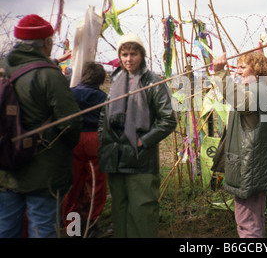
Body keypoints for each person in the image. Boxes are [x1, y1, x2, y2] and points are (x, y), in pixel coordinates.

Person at [0, 14, 82, 238]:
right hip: (43, 170)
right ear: (46, 42)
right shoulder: (50, 76)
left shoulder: (2, 68)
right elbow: (70, 123)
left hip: (5, 166)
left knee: (5, 228)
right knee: (42, 229)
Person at [98, 33, 177, 238]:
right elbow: (103, 117)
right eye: (124, 54)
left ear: (142, 55)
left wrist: (143, 141)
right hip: (114, 157)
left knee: (142, 213)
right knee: (120, 211)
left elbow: (168, 120)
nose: (128, 59)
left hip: (140, 160)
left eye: (133, 54)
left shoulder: (153, 83)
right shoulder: (115, 80)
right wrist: (103, 140)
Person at [212, 50, 267, 238]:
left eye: (242, 67)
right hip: (249, 165)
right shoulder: (257, 90)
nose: (237, 70)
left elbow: (239, 102)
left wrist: (220, 72)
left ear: (257, 69)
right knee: (253, 219)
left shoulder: (260, 90)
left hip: (249, 167)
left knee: (248, 224)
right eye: (237, 66)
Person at [62, 61, 108, 236]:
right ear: (100, 79)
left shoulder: (70, 93)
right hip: (95, 140)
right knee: (96, 184)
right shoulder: (103, 98)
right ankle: (91, 223)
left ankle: (72, 227)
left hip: (74, 139)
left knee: (73, 184)